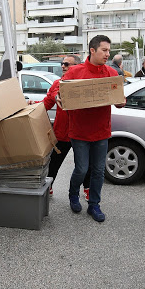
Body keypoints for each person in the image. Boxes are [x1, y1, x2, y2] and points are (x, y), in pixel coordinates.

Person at [60, 35, 125, 222]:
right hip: (79, 132)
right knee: (81, 169)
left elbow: (120, 100)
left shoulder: (112, 74)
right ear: (92, 50)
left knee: (98, 171)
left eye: (109, 51)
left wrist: (120, 102)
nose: (107, 54)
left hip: (101, 131)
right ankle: (73, 194)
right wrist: (60, 99)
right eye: (104, 50)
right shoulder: (74, 73)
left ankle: (94, 204)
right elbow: (61, 95)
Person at [41, 54, 91, 199]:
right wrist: (29, 109)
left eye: (67, 64)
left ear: (76, 67)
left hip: (81, 133)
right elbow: (46, 104)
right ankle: (48, 186)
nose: (63, 66)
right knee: (54, 163)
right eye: (62, 64)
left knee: (83, 165)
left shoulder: (84, 85)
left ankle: (87, 189)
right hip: (62, 133)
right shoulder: (57, 83)